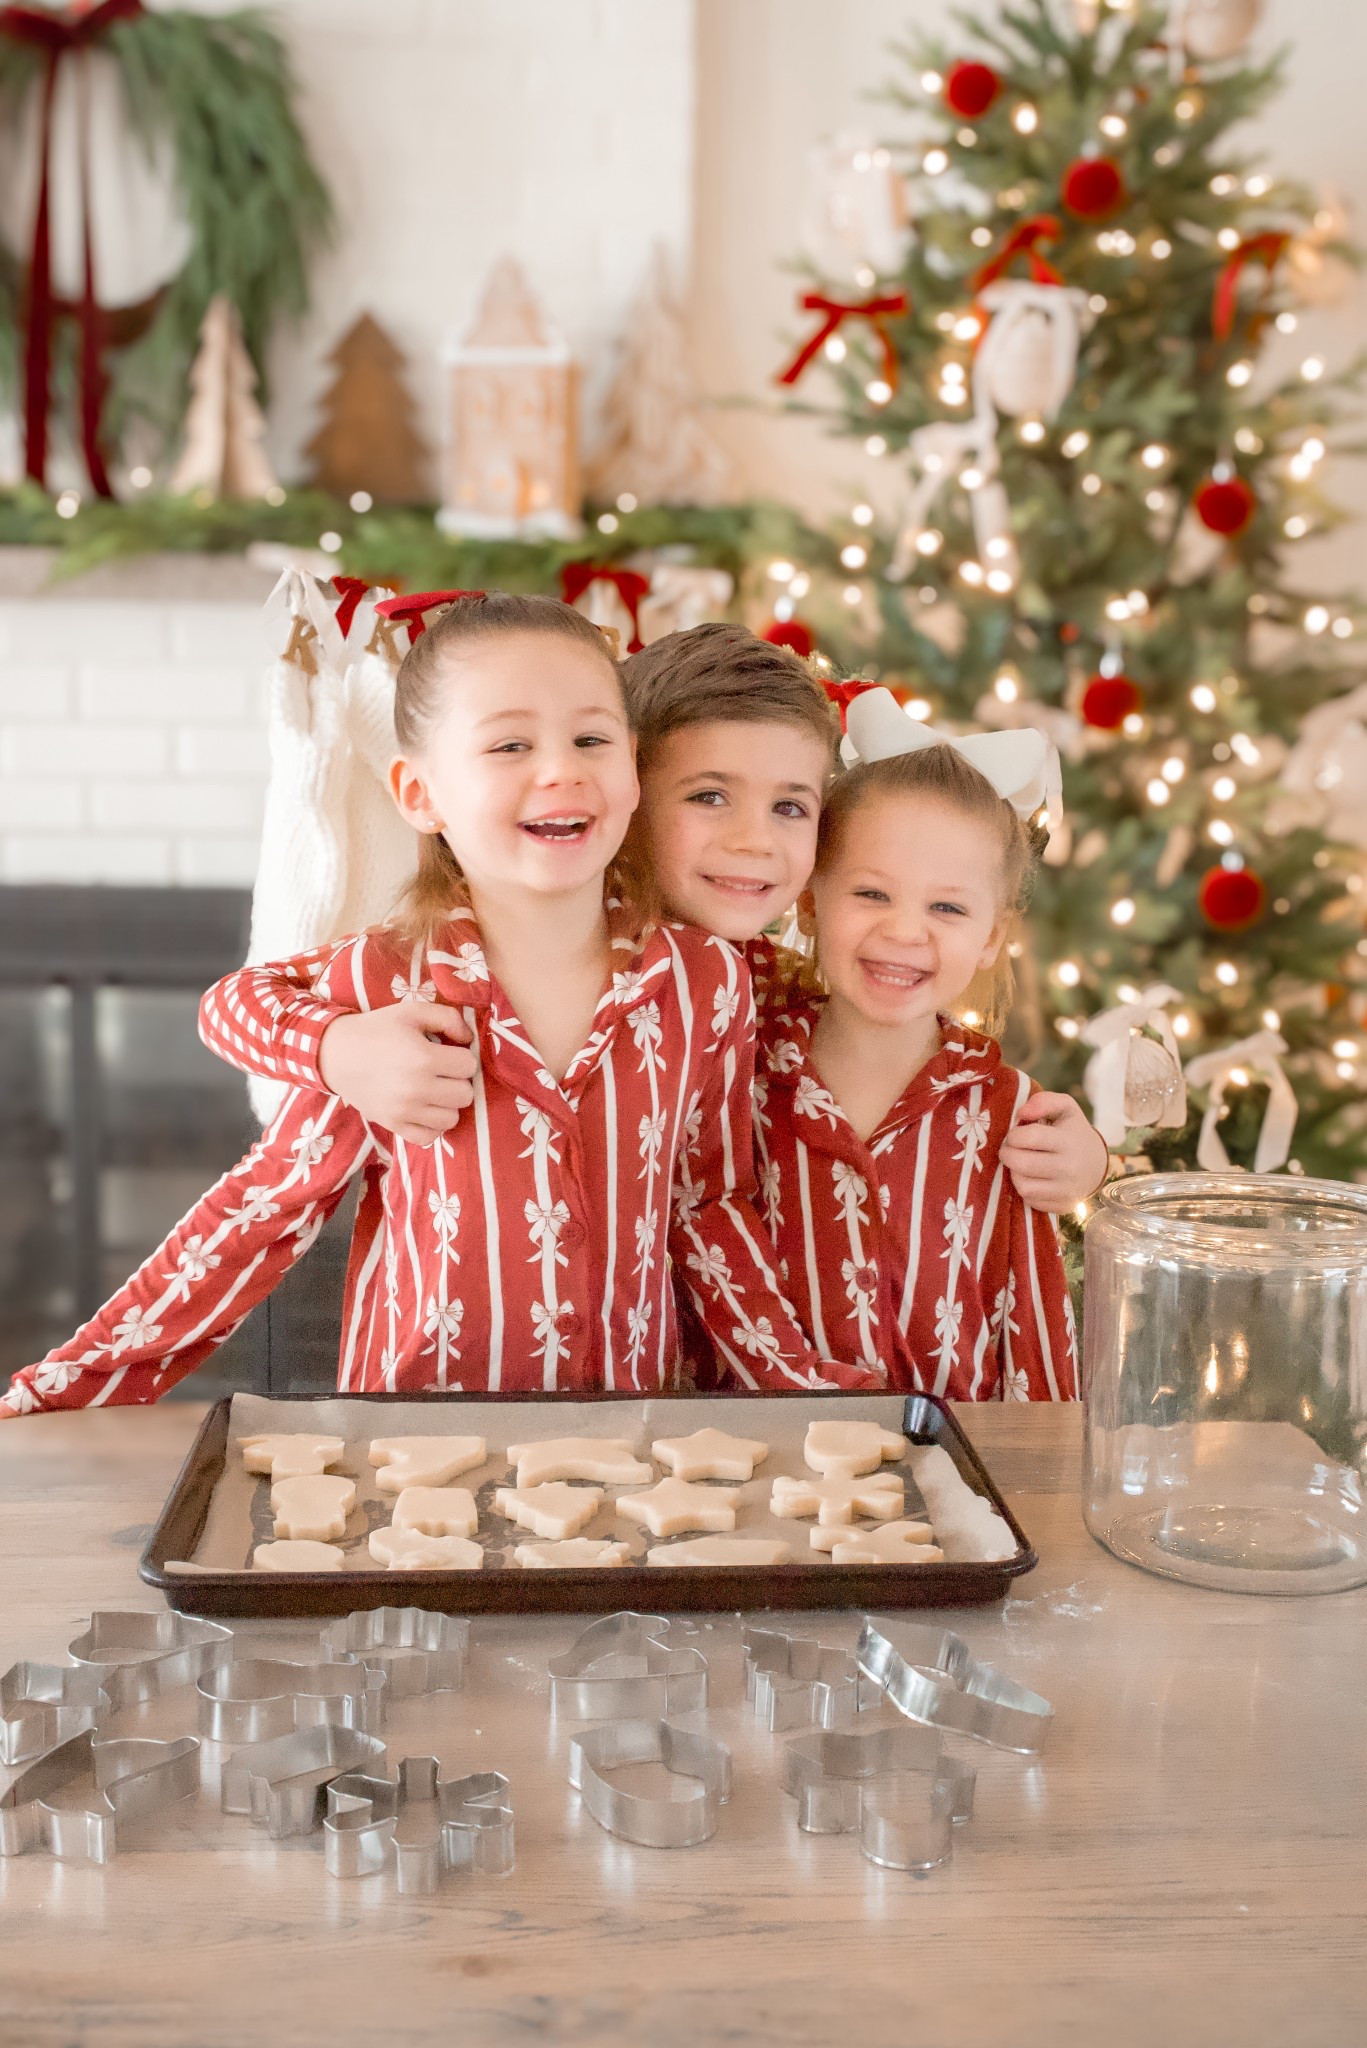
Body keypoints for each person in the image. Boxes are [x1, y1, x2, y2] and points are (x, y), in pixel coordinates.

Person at [3, 594, 852, 1416]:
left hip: (627, 1437)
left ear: (630, 772)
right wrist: (69, 1384)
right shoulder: (385, 989)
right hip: (406, 1443)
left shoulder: (705, 984)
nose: (560, 768)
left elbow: (709, 1212)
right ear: (420, 794)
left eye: (591, 738)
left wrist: (807, 1389)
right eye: (509, 745)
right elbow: (262, 1207)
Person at [197, 624, 1107, 1205]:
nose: (753, 842)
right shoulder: (508, 948)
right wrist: (335, 1049)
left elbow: (927, 1087)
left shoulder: (777, 990)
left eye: (790, 807)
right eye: (708, 798)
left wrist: (1082, 1158)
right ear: (628, 787)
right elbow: (241, 1002)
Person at [747, 690, 1079, 1399]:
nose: (905, 932)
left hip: (948, 1482)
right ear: (810, 900)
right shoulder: (740, 1074)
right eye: (871, 894)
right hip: (757, 1469)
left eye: (947, 908)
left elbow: (1033, 1330)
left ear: (990, 937)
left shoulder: (1007, 1114)